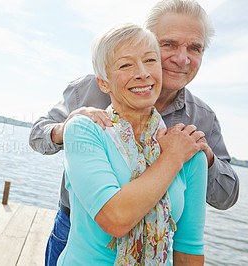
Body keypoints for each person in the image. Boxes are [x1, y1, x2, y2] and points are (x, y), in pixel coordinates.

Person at [29, 0, 240, 264]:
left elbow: (223, 200)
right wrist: (66, 129)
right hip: (74, 228)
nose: (183, 58)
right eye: (170, 44)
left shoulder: (202, 118)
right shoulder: (90, 89)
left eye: (194, 48)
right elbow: (38, 134)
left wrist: (205, 157)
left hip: (159, 246)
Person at [57, 22, 207, 265]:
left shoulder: (190, 151)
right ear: (104, 83)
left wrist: (179, 152)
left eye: (150, 61)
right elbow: (115, 218)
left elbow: (189, 247)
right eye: (126, 65)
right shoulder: (85, 131)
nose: (143, 73)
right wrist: (171, 157)